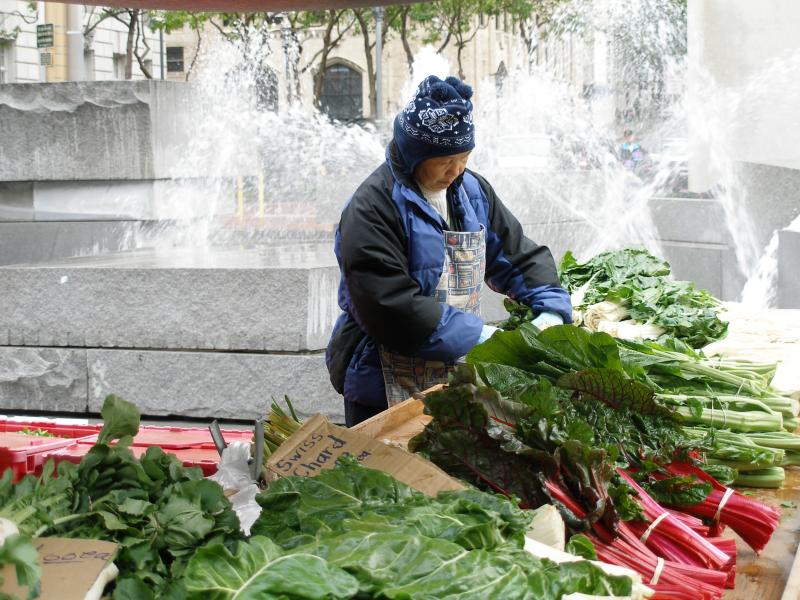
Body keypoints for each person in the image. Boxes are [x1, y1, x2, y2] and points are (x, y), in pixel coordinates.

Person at [326, 75, 573, 426]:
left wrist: (550, 309)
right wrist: (485, 338)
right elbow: (389, 305)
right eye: (445, 160)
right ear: (415, 154)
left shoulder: (472, 191)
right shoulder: (372, 207)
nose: (456, 170)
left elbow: (519, 256)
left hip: (454, 375)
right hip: (382, 380)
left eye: (465, 157)